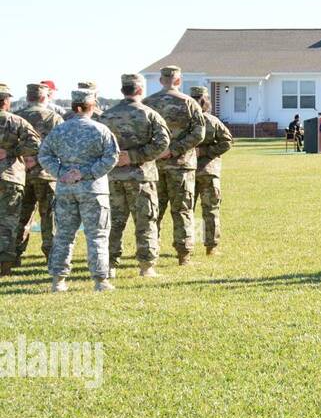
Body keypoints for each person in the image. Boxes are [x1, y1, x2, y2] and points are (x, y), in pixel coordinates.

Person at [38, 88, 120, 293]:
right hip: (94, 191)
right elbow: (111, 157)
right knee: (98, 235)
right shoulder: (101, 130)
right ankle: (101, 281)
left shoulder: (59, 130)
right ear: (92, 106)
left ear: (74, 107)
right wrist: (87, 173)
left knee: (64, 235)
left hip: (66, 189)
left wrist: (60, 173)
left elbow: (44, 155)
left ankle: (58, 281)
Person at [100, 74, 170, 278]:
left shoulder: (106, 116)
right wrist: (134, 156)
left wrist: (116, 158)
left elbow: (97, 143)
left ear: (123, 90)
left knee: (112, 222)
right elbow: (162, 142)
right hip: (141, 176)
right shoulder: (149, 114)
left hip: (112, 178)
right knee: (145, 220)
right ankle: (146, 266)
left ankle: (109, 265)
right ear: (139, 90)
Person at [142, 65, 207, 266]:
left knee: (153, 211)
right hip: (182, 166)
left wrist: (156, 151)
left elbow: (140, 133)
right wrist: (175, 149)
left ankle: (152, 250)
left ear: (161, 80)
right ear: (179, 81)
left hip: (154, 166)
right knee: (183, 211)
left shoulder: (148, 103)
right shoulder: (189, 103)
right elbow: (199, 133)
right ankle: (183, 255)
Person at [15, 82, 62, 266]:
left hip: (21, 174)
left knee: (20, 216)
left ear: (28, 97)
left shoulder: (17, 117)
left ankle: (14, 255)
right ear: (44, 97)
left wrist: (26, 158)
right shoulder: (54, 117)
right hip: (47, 174)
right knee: (48, 217)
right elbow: (60, 145)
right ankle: (51, 256)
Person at [0, 83, 42, 277]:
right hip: (10, 178)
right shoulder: (17, 121)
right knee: (8, 224)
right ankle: (6, 267)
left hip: (11, 178)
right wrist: (11, 151)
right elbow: (35, 144)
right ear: (6, 101)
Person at [191, 87, 234, 256]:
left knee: (186, 211)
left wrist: (199, 152)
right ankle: (211, 246)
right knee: (210, 210)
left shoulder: (184, 122)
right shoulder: (212, 121)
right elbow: (227, 141)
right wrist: (207, 152)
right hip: (208, 171)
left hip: (185, 171)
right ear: (205, 100)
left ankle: (188, 245)